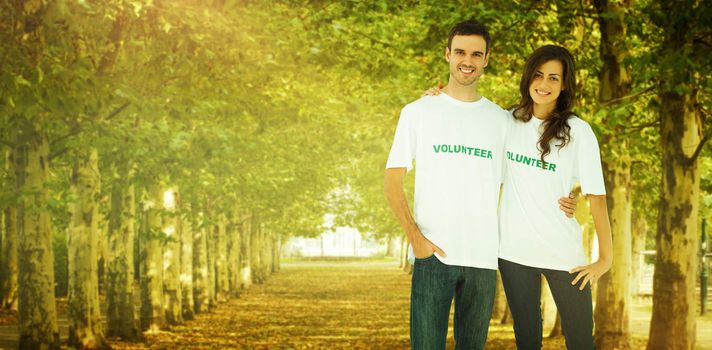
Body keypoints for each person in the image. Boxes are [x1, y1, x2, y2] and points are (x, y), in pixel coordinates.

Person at [383, 20, 576, 350]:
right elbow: (392, 180)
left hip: (484, 260)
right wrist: (416, 239)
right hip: (433, 257)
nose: (467, 61)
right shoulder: (418, 112)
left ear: (486, 59)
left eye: (476, 54)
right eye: (460, 52)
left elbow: (538, 168)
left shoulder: (504, 120)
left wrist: (572, 197)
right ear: (447, 54)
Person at [497, 45, 612, 349]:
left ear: (564, 85)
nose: (543, 85)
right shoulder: (506, 121)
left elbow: (596, 195)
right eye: (538, 75)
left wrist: (605, 259)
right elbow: (466, 119)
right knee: (527, 337)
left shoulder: (579, 132)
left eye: (553, 78)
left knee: (580, 340)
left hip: (564, 255)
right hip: (513, 253)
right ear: (528, 78)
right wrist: (438, 100)